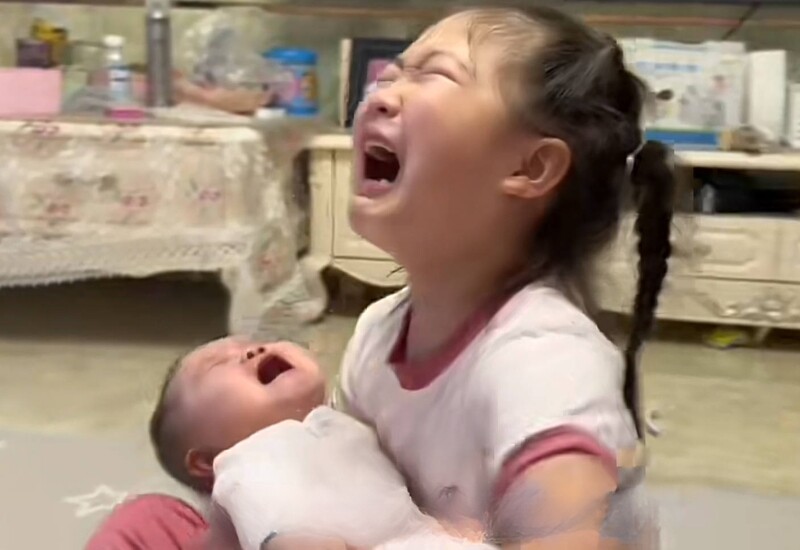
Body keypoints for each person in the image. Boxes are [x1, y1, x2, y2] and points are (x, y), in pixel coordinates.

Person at [213, 5, 674, 550]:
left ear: (530, 168)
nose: (379, 96)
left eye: (433, 75)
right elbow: (344, 489)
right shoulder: (380, 330)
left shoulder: (545, 361)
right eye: (389, 76)